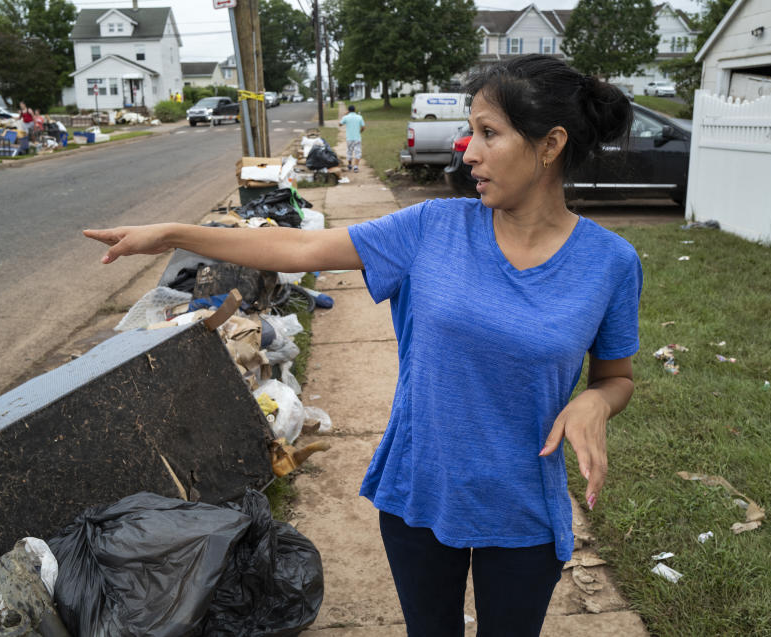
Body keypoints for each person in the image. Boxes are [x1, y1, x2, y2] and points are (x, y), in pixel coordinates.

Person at [83, 55, 640, 637]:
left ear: (550, 144)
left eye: (488, 133)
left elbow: (615, 377)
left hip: (522, 506)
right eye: (470, 131)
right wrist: (172, 234)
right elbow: (299, 250)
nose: (467, 150)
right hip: (419, 490)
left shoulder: (610, 264)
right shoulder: (432, 227)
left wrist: (596, 402)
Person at [339, 104, 365, 172]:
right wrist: (360, 132)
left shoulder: (346, 117)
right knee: (358, 152)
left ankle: (350, 165)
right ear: (354, 110)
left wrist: (344, 115)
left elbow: (340, 124)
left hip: (349, 138)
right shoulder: (359, 117)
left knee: (349, 152)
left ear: (348, 110)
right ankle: (356, 166)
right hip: (357, 137)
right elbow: (363, 127)